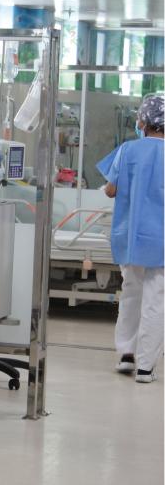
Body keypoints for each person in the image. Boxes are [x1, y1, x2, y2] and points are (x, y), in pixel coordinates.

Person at [98, 94, 164, 383]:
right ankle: (146, 367)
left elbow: (111, 190)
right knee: (155, 302)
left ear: (144, 122)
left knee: (131, 294)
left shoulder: (127, 150)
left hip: (132, 237)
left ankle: (126, 354)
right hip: (161, 240)